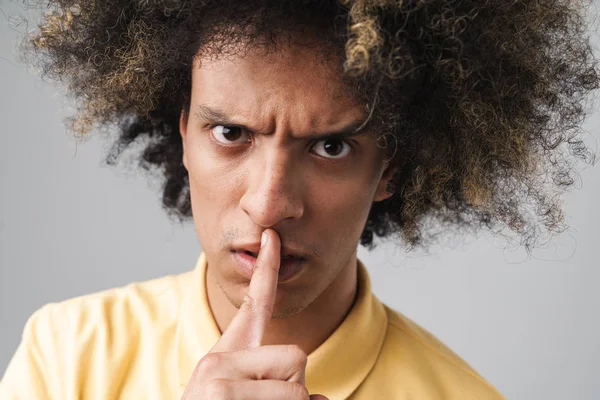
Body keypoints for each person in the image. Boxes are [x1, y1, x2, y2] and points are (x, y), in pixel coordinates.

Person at [1, 0, 599, 399]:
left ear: (389, 167)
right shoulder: (67, 357)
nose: (267, 205)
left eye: (331, 146)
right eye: (231, 134)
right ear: (183, 136)